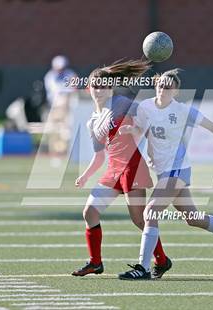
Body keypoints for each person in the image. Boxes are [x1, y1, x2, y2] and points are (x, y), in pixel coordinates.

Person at [118, 69, 213, 280]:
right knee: (193, 218)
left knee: (150, 211)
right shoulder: (145, 107)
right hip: (164, 172)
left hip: (178, 169)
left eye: (168, 86)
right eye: (161, 84)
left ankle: (143, 268)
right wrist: (131, 132)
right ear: (156, 85)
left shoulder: (182, 110)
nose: (163, 88)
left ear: (176, 91)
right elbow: (144, 130)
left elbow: (212, 126)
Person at [71, 60, 171, 279]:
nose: (99, 89)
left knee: (139, 219)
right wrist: (86, 175)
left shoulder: (122, 103)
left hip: (132, 167)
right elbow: (99, 156)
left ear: (111, 87)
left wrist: (147, 134)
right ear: (89, 88)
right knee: (90, 212)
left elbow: (147, 115)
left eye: (104, 85)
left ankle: (162, 260)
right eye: (95, 85)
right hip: (113, 170)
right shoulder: (93, 122)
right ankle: (95, 263)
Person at [43, 55, 77, 156]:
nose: (60, 70)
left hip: (67, 107)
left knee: (66, 129)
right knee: (54, 130)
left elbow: (73, 89)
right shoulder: (49, 76)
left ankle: (65, 151)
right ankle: (54, 150)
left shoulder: (71, 74)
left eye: (62, 68)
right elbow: (56, 91)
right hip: (54, 107)